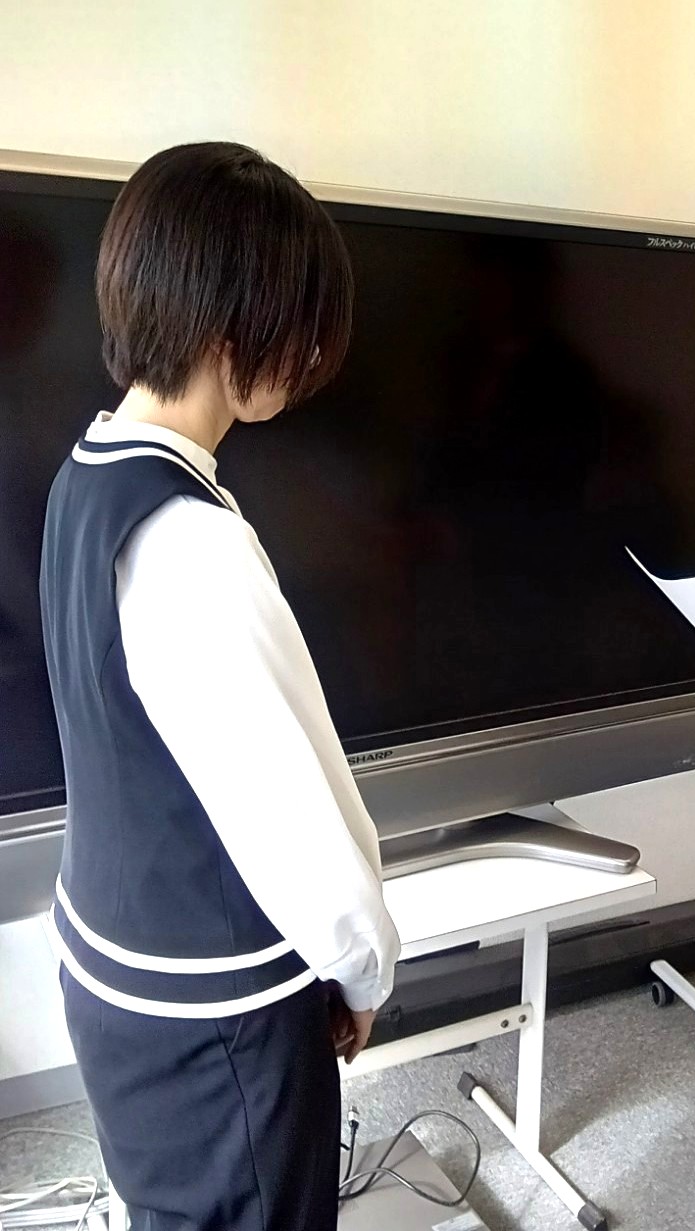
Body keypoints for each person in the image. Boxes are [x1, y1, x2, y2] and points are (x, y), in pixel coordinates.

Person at [39, 142, 402, 1231]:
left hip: (110, 959)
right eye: (303, 330)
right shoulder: (191, 541)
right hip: (212, 1016)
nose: (311, 358)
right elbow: (291, 811)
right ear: (233, 329)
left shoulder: (88, 469)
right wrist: (362, 970)